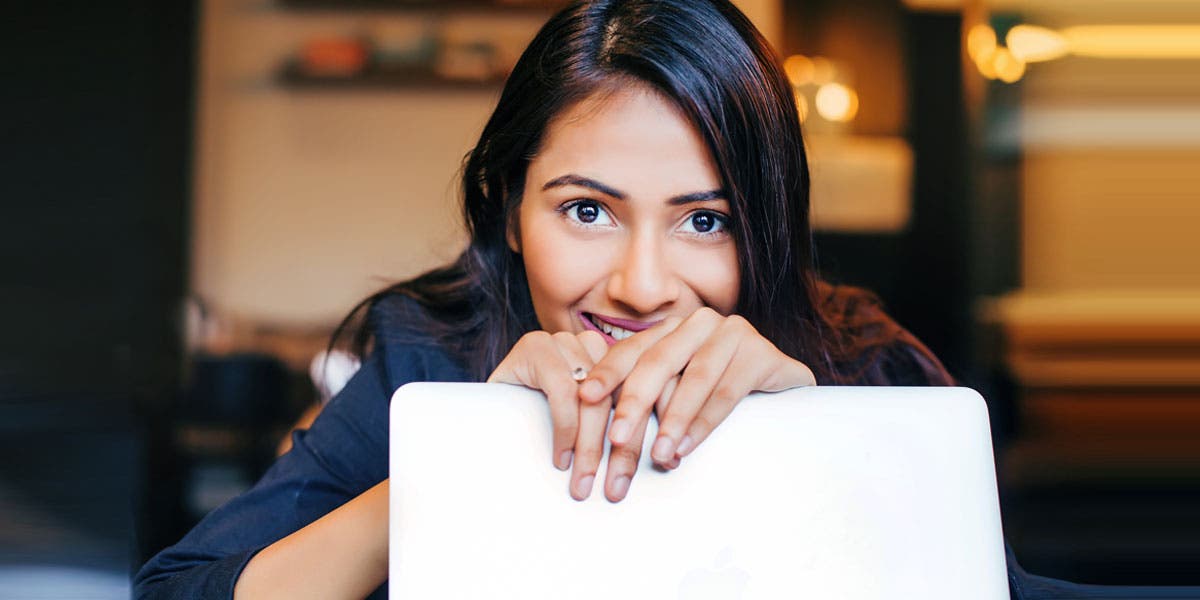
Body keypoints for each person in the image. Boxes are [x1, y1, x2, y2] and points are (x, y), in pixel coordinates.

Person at [135, 1, 1173, 599]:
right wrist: (469, 466)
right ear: (505, 208)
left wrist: (808, 433)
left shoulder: (859, 364)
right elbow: (185, 589)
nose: (638, 285)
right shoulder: (432, 355)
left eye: (705, 220)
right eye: (587, 212)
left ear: (765, 225)